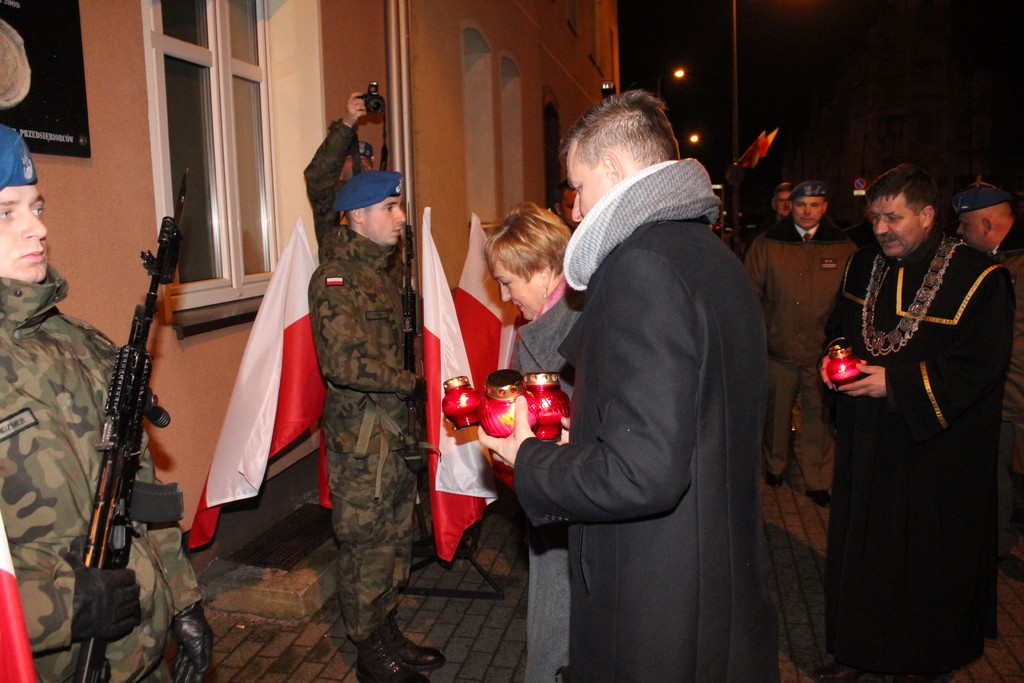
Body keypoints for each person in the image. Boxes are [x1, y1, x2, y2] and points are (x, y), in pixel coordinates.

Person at [479, 90, 779, 682]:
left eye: (578, 188)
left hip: (656, 605)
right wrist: (590, 436)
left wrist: (530, 456)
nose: (574, 211)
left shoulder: (641, 267)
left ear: (613, 170)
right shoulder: (710, 256)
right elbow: (689, 426)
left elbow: (644, 474)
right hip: (713, 586)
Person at [0, 124, 212, 680]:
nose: (38, 227)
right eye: (6, 212)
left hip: (144, 653)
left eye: (35, 207)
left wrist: (183, 601)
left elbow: (136, 487)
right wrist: (59, 609)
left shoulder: (79, 343)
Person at [815, 164, 1013, 682]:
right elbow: (838, 329)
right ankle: (856, 649)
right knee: (862, 545)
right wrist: (832, 358)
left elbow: (981, 366)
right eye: (875, 218)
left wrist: (896, 384)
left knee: (922, 556)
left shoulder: (980, 277)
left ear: (927, 216)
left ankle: (919, 662)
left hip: (934, 446)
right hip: (867, 436)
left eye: (893, 218)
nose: (881, 229)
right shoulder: (862, 264)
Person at [308, 169, 443, 683]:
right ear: (357, 217)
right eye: (389, 207)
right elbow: (343, 364)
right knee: (365, 545)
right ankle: (369, 652)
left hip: (393, 432)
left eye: (398, 206)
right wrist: (410, 382)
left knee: (393, 538)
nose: (400, 217)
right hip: (362, 441)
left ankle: (386, 631)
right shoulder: (336, 279)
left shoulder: (379, 276)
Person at [482, 201, 582, 683]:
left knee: (558, 628)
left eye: (507, 282)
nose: (505, 297)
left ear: (542, 268)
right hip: (559, 501)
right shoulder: (550, 323)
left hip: (567, 504)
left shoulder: (568, 331)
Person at [744, 180, 856, 507]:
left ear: (825, 207)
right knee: (776, 415)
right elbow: (750, 294)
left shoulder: (843, 247)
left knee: (819, 419)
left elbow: (851, 300)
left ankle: (817, 479)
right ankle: (775, 467)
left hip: (822, 353)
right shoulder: (768, 244)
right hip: (778, 349)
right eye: (801, 205)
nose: (807, 211)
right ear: (790, 207)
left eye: (815, 205)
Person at [954, 181, 1024, 559]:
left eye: (964, 225)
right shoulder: (988, 262)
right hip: (998, 392)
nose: (960, 232)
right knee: (992, 475)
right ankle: (996, 544)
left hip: (1016, 390)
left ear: (986, 224)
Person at [304, 90, 377, 259]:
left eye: (367, 160)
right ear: (339, 168)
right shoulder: (331, 201)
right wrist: (347, 124)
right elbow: (318, 175)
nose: (362, 163)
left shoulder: (381, 199)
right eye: (353, 159)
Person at [738, 181, 792, 259]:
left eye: (790, 201)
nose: (786, 205)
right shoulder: (761, 235)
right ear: (774, 204)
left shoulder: (804, 233)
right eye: (781, 201)